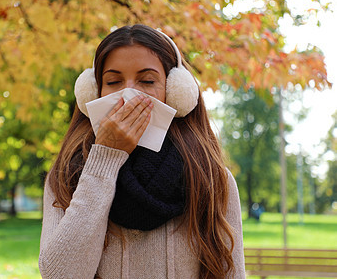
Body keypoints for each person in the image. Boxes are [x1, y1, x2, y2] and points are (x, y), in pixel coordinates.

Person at [38, 24, 245, 279]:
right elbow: (59, 275)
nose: (130, 94)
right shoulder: (64, 177)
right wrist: (105, 157)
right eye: (113, 81)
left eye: (147, 81)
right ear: (92, 93)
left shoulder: (212, 179)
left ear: (175, 93)